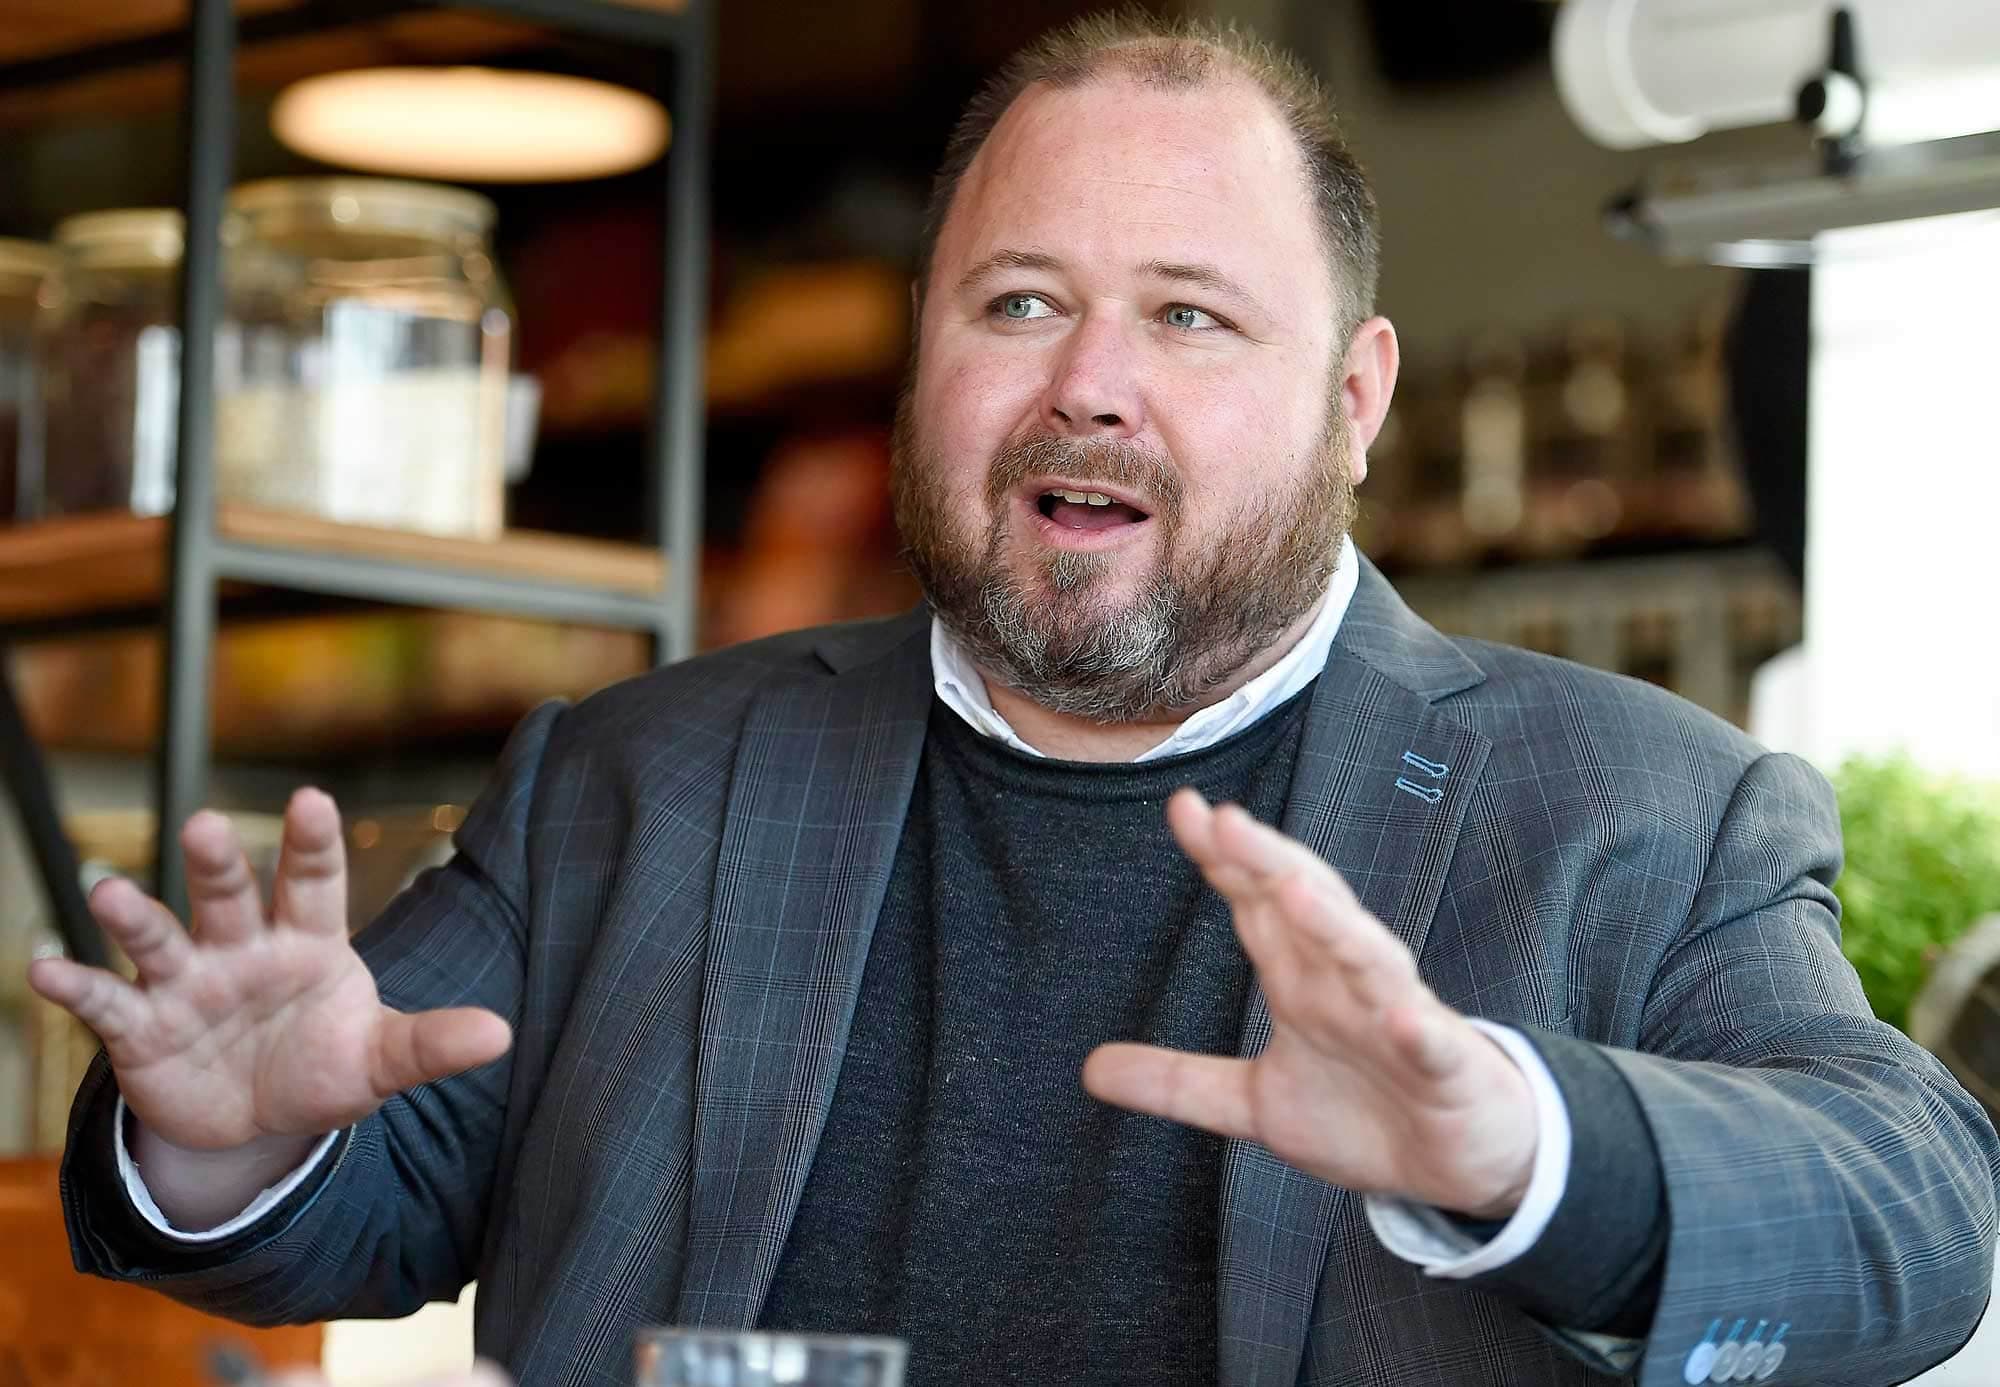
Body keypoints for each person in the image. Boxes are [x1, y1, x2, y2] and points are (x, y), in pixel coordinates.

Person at [31, 13, 2000, 1387]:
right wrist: (226, 1145)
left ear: (1355, 399)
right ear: (926, 359)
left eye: (1189, 315)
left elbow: (1911, 1221)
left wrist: (1521, 1148)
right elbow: (351, 1208)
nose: (1090, 386)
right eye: (1020, 302)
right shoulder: (642, 780)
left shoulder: (1637, 806)